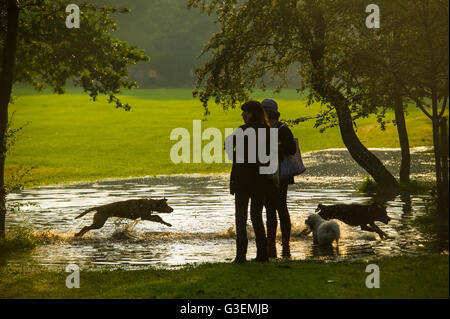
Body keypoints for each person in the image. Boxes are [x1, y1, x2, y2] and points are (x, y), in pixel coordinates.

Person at [225, 100, 272, 263]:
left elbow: (227, 146)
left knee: (241, 217)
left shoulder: (242, 130)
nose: (243, 115)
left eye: (245, 112)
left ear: (252, 113)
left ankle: (240, 256)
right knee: (257, 217)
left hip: (242, 179)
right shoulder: (267, 131)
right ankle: (262, 254)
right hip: (260, 180)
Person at [262, 99, 297, 258]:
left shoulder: (283, 129)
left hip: (281, 175)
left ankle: (285, 243)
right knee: (269, 207)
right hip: (267, 174)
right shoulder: (263, 128)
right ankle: (271, 242)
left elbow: (291, 150)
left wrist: (276, 146)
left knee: (280, 206)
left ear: (269, 112)